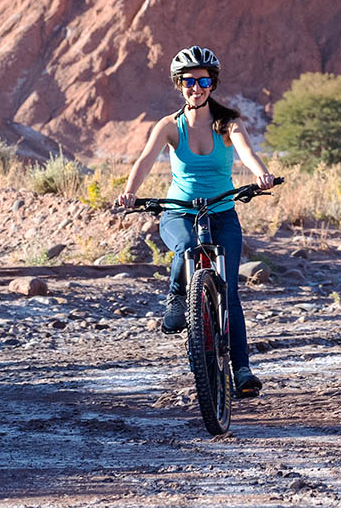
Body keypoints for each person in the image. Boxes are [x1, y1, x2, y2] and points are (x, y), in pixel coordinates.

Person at [119, 45, 279, 398]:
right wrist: (130, 191)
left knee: (231, 293)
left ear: (212, 84)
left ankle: (242, 369)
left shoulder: (228, 123)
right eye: (189, 81)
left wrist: (262, 174)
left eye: (204, 80)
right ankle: (178, 295)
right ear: (179, 85)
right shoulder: (170, 126)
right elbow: (145, 160)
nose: (197, 87)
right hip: (179, 212)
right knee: (188, 247)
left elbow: (248, 152)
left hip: (222, 211)